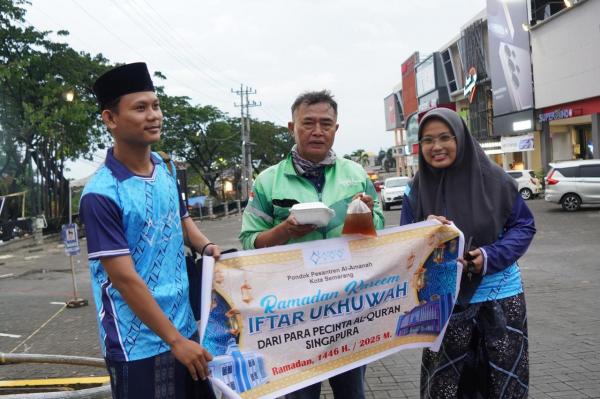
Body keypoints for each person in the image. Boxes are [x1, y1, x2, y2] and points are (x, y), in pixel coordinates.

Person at [79, 62, 220, 399]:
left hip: (186, 326)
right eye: (140, 108)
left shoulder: (164, 165)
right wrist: (174, 341)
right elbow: (123, 278)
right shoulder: (101, 193)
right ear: (110, 119)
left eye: (155, 105)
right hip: (137, 345)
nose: (153, 115)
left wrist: (206, 246)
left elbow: (181, 217)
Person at [239, 90, 385, 399]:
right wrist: (286, 230)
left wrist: (363, 214)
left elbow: (380, 233)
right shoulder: (267, 181)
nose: (317, 131)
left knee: (352, 393)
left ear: (336, 129)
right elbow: (249, 243)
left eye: (326, 124)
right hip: (293, 318)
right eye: (308, 123)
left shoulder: (357, 175)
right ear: (292, 128)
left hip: (350, 311)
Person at [400, 107, 535, 398]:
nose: (436, 147)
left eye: (445, 137)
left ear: (460, 138)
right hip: (444, 301)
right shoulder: (416, 190)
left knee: (502, 383)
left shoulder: (496, 180)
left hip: (499, 297)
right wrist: (423, 232)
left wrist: (489, 257)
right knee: (446, 384)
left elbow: (523, 226)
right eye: (427, 140)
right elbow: (404, 246)